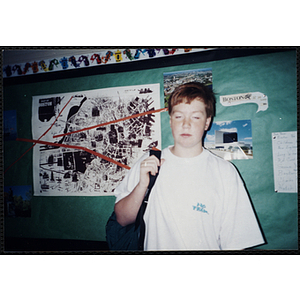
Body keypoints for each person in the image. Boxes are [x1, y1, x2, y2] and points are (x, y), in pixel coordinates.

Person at [114, 82, 265, 251]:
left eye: (195, 117)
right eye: (179, 116)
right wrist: (142, 185)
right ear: (170, 121)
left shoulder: (225, 172)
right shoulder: (149, 162)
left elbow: (236, 243)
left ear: (207, 122)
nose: (186, 124)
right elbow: (121, 218)